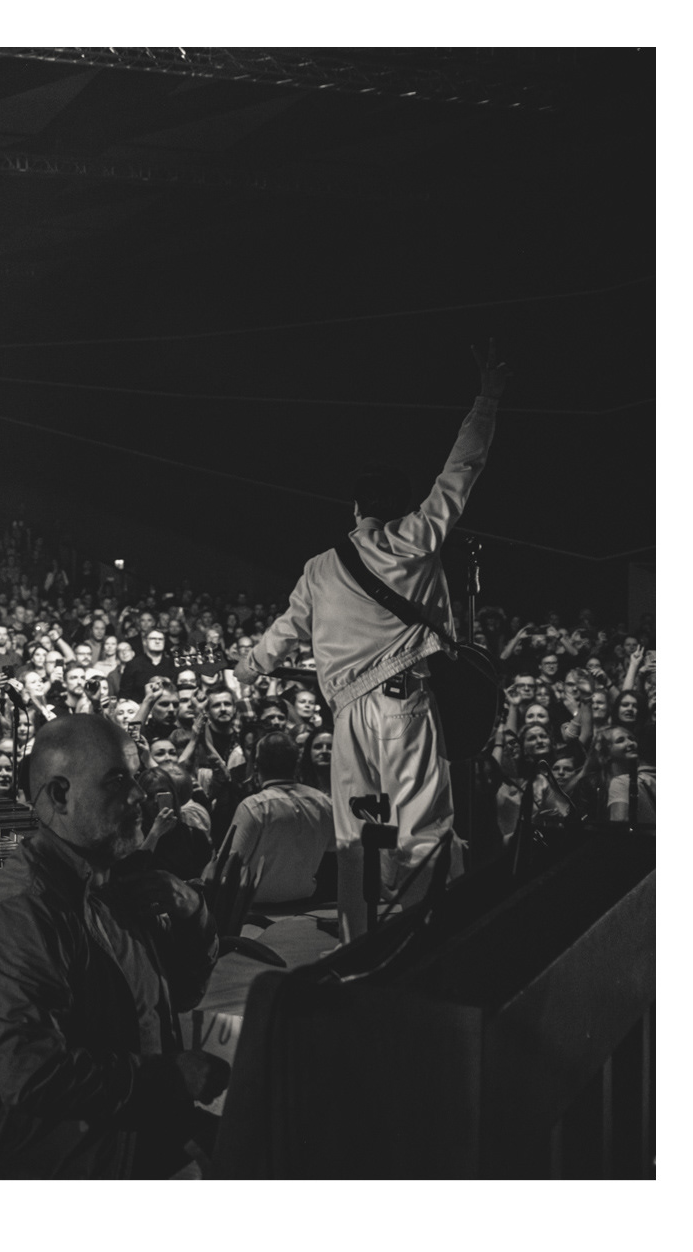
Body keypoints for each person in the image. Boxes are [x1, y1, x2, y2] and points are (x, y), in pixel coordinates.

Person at [235, 344, 507, 942]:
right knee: (422, 829)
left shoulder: (319, 567)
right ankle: (434, 943)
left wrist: (251, 666)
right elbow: (460, 472)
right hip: (405, 705)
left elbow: (285, 630)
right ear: (402, 505)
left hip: (349, 716)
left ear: (355, 507)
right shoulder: (417, 538)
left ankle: (359, 949)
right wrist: (486, 400)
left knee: (356, 836)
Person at [0, 713, 225, 1179]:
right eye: (117, 781)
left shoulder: (114, 879)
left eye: (136, 777)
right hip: (40, 1149)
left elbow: (178, 996)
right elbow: (30, 1074)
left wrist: (193, 915)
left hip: (118, 1120)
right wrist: (169, 1078)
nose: (139, 795)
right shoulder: (23, 912)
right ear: (60, 795)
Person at [212, 732, 336, 905]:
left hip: (257, 910)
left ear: (257, 765)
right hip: (306, 906)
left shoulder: (254, 807)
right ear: (297, 763)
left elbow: (229, 866)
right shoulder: (322, 802)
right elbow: (333, 847)